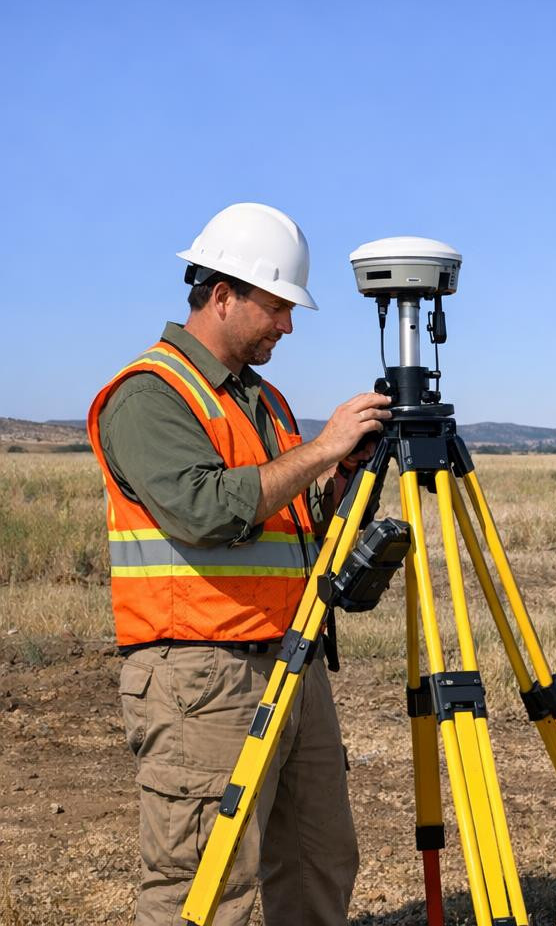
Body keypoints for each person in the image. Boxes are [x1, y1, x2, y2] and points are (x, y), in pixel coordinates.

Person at [86, 202, 393, 925]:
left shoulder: (266, 401)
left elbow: (290, 523)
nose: (287, 326)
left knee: (318, 859)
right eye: (277, 307)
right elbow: (206, 510)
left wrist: (339, 477)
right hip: (202, 676)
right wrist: (319, 448)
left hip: (292, 662)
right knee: (204, 880)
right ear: (222, 295)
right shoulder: (149, 394)